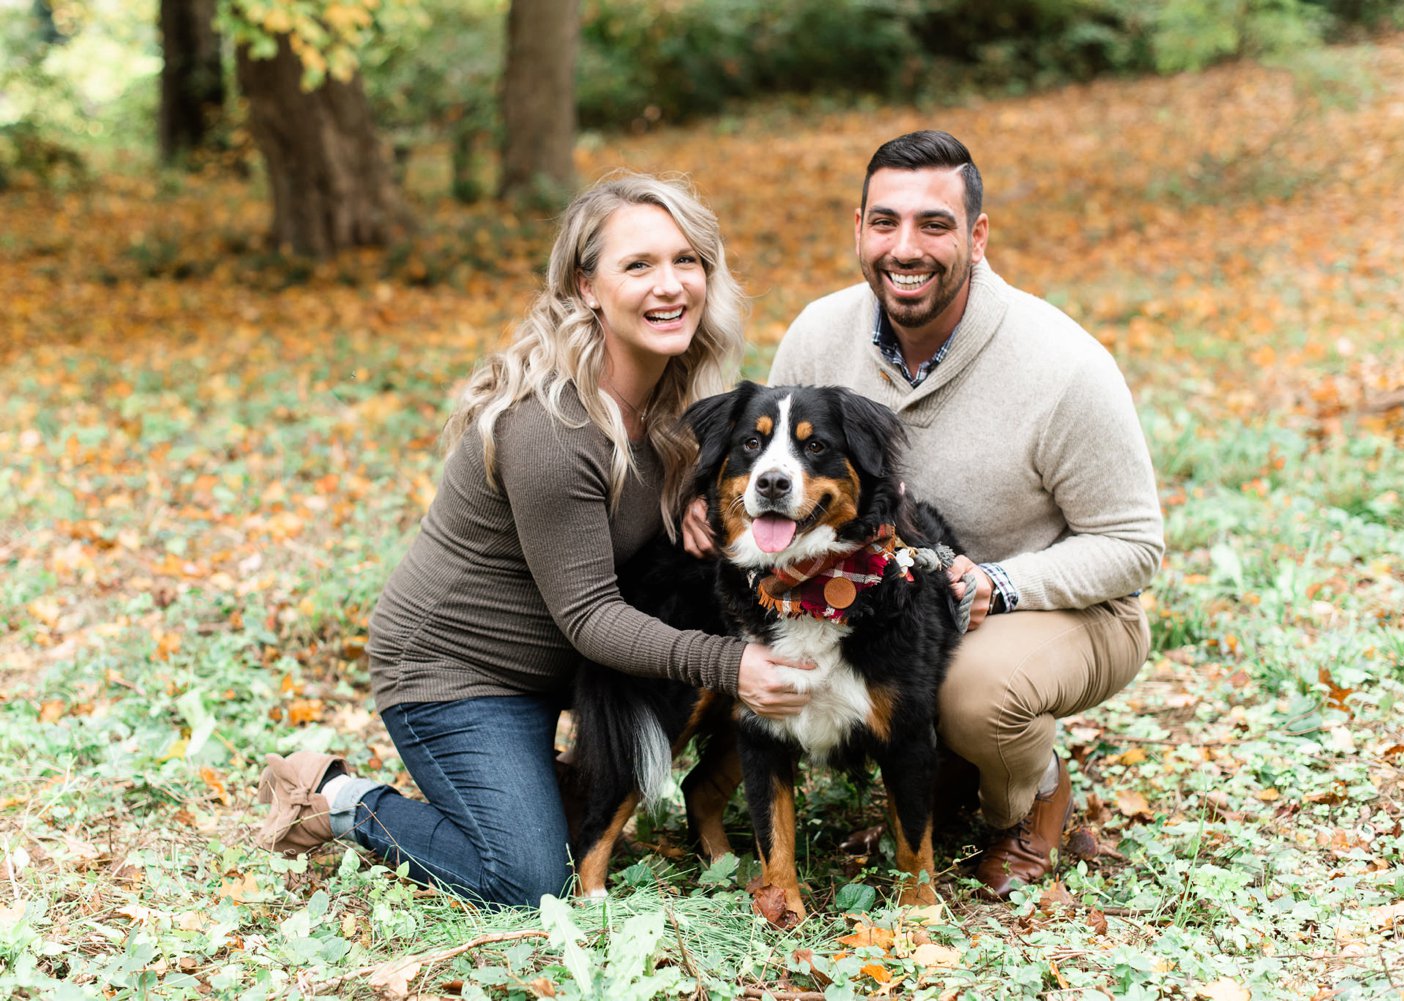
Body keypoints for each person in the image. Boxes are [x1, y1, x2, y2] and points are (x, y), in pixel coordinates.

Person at [254, 172, 814, 908]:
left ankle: (540, 781)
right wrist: (730, 663)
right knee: (526, 879)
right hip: (458, 671)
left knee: (569, 825)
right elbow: (589, 615)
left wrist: (699, 493)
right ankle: (339, 798)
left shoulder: (688, 397)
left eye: (687, 261)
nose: (670, 285)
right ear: (587, 286)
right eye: (638, 265)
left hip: (566, 672)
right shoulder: (552, 427)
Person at [763, 131, 1163, 899]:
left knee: (969, 693)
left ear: (977, 237)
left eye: (934, 224)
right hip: (892, 605)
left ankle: (1033, 793)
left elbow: (1134, 543)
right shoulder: (818, 335)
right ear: (858, 229)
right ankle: (933, 766)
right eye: (885, 222)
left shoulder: (1063, 366)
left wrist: (1002, 584)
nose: (904, 247)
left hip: (1068, 607)